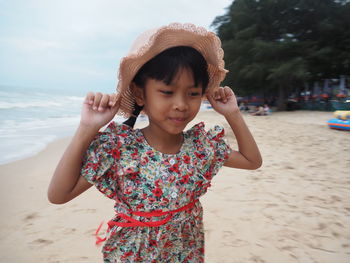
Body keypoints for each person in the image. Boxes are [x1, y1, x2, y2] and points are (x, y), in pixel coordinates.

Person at [47, 23, 262, 262]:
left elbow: (252, 161)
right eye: (167, 92)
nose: (181, 104)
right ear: (140, 94)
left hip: (186, 254)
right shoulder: (120, 148)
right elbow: (59, 194)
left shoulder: (201, 148)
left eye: (192, 94)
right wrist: (87, 128)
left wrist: (232, 113)